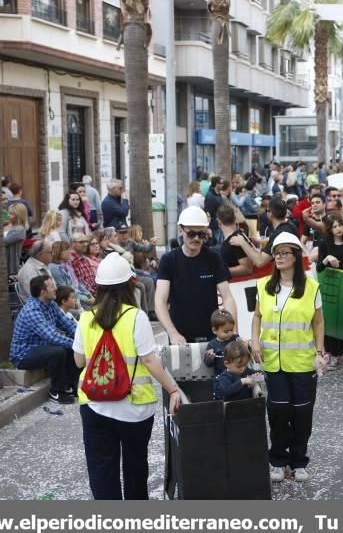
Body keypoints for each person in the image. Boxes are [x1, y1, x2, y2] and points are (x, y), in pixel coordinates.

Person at [73, 252, 181, 500]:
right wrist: (173, 389)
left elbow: (79, 361)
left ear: (98, 287)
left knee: (102, 471)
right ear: (131, 284)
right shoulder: (136, 317)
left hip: (95, 405)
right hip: (133, 408)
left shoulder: (86, 318)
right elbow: (150, 360)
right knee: (135, 468)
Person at [250, 232, 325, 483]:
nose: (279, 257)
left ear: (295, 256)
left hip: (303, 363)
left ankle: (299, 461)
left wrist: (320, 351)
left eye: (284, 253)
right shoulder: (264, 285)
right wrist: (254, 340)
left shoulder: (311, 287)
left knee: (302, 414)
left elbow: (318, 321)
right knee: (279, 413)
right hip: (273, 362)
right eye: (276, 253)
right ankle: (278, 461)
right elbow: (257, 316)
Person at [155, 206, 237, 344]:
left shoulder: (214, 258)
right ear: (181, 230)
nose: (197, 238)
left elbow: (227, 297)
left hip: (212, 336)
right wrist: (172, 333)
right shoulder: (169, 260)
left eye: (202, 234)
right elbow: (160, 301)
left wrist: (234, 334)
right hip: (180, 338)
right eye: (191, 234)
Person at [10, 275, 78, 404]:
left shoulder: (51, 304)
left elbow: (68, 325)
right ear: (43, 291)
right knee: (59, 350)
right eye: (52, 286)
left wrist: (82, 339)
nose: (56, 288)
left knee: (71, 347)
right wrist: (77, 344)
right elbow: (52, 336)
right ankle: (56, 391)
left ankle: (71, 386)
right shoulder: (32, 310)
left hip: (41, 348)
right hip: (23, 355)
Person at [316, 214, 343, 374]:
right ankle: (335, 355)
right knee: (334, 321)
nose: (338, 229)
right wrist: (327, 259)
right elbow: (319, 268)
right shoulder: (324, 244)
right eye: (334, 226)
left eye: (340, 225)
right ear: (330, 229)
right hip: (332, 287)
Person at [49, 241, 94, 311]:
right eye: (67, 249)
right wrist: (86, 299)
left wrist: (89, 295)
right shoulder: (54, 268)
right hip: (71, 299)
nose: (70, 252)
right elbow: (65, 290)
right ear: (59, 252)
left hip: (78, 294)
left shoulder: (68, 263)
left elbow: (77, 283)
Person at [203, 309, 238, 376]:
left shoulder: (235, 339)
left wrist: (246, 345)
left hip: (237, 374)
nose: (230, 333)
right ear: (214, 330)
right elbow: (208, 364)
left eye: (231, 330)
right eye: (226, 331)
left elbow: (244, 354)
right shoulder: (212, 345)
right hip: (222, 377)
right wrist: (210, 358)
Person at [4, 203, 29, 277]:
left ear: (19, 216)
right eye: (9, 213)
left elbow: (3, 242)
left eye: (12, 214)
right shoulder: (9, 225)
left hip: (11, 266)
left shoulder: (19, 229)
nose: (8, 215)